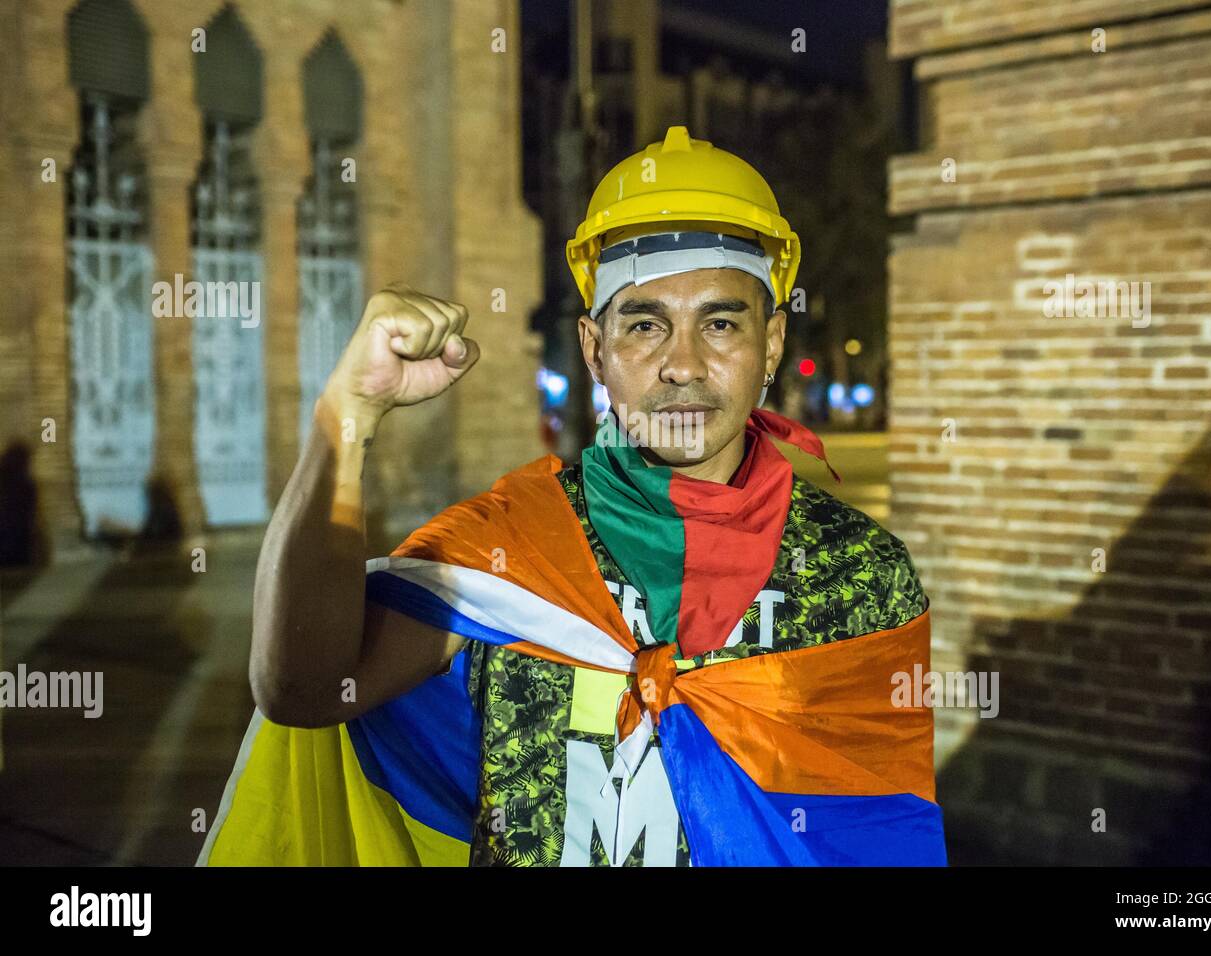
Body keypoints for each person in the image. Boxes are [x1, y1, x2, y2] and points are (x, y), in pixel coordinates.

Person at [199, 126, 945, 867]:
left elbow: (876, 833)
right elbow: (300, 690)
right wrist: (347, 416)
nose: (683, 365)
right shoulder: (511, 546)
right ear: (594, 349)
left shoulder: (861, 574)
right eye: (645, 325)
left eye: (720, 323)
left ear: (773, 342)